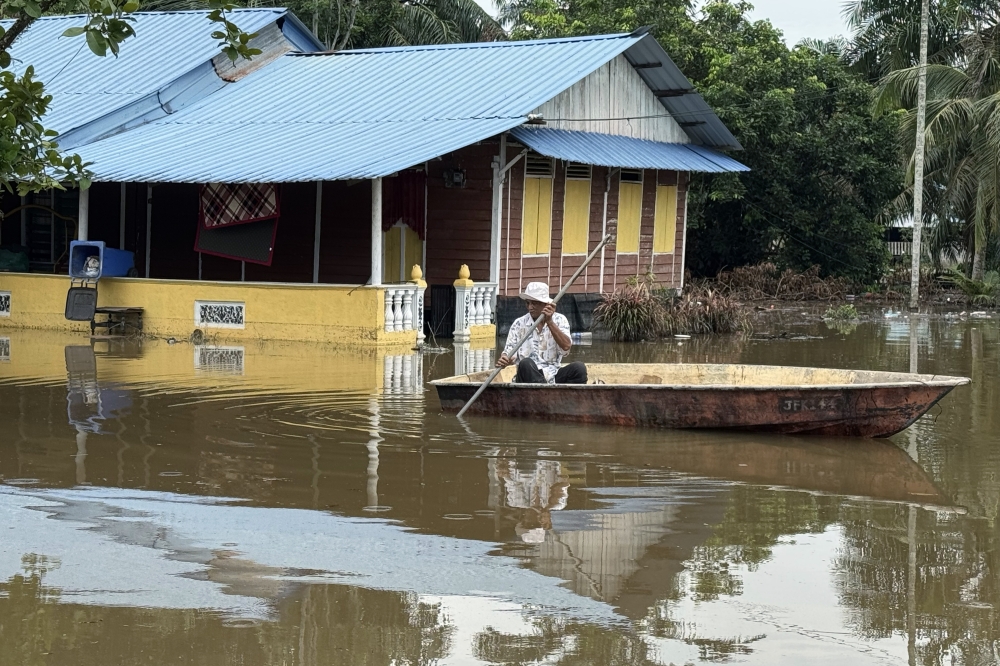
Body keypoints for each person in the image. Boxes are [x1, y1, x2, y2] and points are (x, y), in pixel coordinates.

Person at [495, 281, 587, 384]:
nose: (530, 307)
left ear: (546, 304)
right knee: (526, 363)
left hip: (553, 375)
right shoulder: (519, 324)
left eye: (534, 303)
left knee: (579, 368)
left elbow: (566, 347)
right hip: (528, 376)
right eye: (528, 303)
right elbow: (509, 353)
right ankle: (544, 394)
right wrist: (505, 359)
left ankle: (553, 394)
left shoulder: (560, 320)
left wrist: (550, 322)